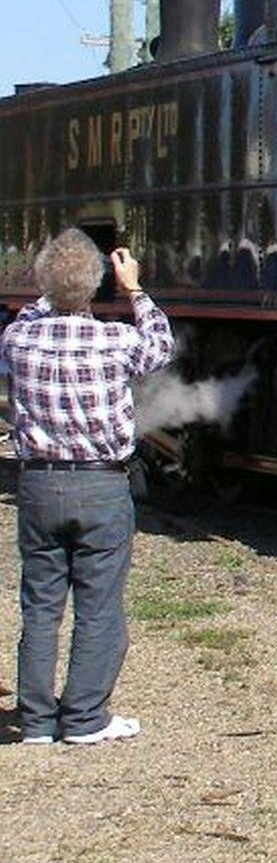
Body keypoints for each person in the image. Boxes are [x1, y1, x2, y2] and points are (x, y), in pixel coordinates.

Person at [2, 231, 174, 744]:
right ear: (98, 286)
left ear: (43, 286)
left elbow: (31, 315)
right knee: (98, 605)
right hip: (101, 486)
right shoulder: (117, 340)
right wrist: (135, 290)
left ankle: (35, 720)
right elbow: (161, 346)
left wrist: (53, 286)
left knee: (40, 605)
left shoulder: (18, 339)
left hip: (38, 485)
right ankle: (83, 718)